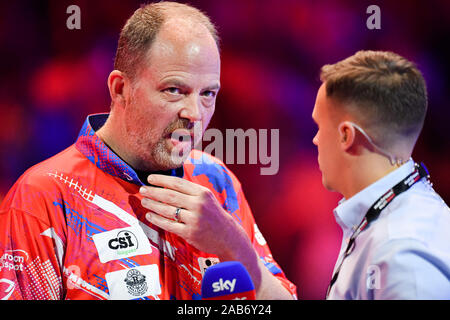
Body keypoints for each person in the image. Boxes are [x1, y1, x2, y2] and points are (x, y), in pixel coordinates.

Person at [0, 2, 296, 300]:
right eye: (174, 90)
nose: (194, 112)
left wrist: (235, 246)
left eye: (208, 93)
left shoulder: (217, 182)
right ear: (120, 89)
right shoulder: (42, 197)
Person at [312, 50, 450, 299]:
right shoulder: (392, 218)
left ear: (346, 135)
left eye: (319, 126)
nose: (315, 139)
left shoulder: (401, 252)